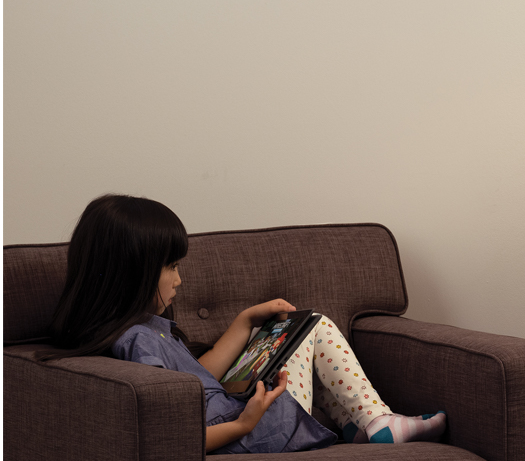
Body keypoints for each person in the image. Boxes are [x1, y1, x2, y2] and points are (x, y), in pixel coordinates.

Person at [45, 194, 449, 453]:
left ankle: (357, 425)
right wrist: (244, 422)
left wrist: (244, 321)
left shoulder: (141, 331)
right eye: (170, 267)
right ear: (129, 272)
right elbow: (170, 432)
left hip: (244, 419)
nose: (179, 279)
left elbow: (193, 380)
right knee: (313, 327)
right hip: (254, 434)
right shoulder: (137, 341)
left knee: (284, 338)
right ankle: (377, 419)